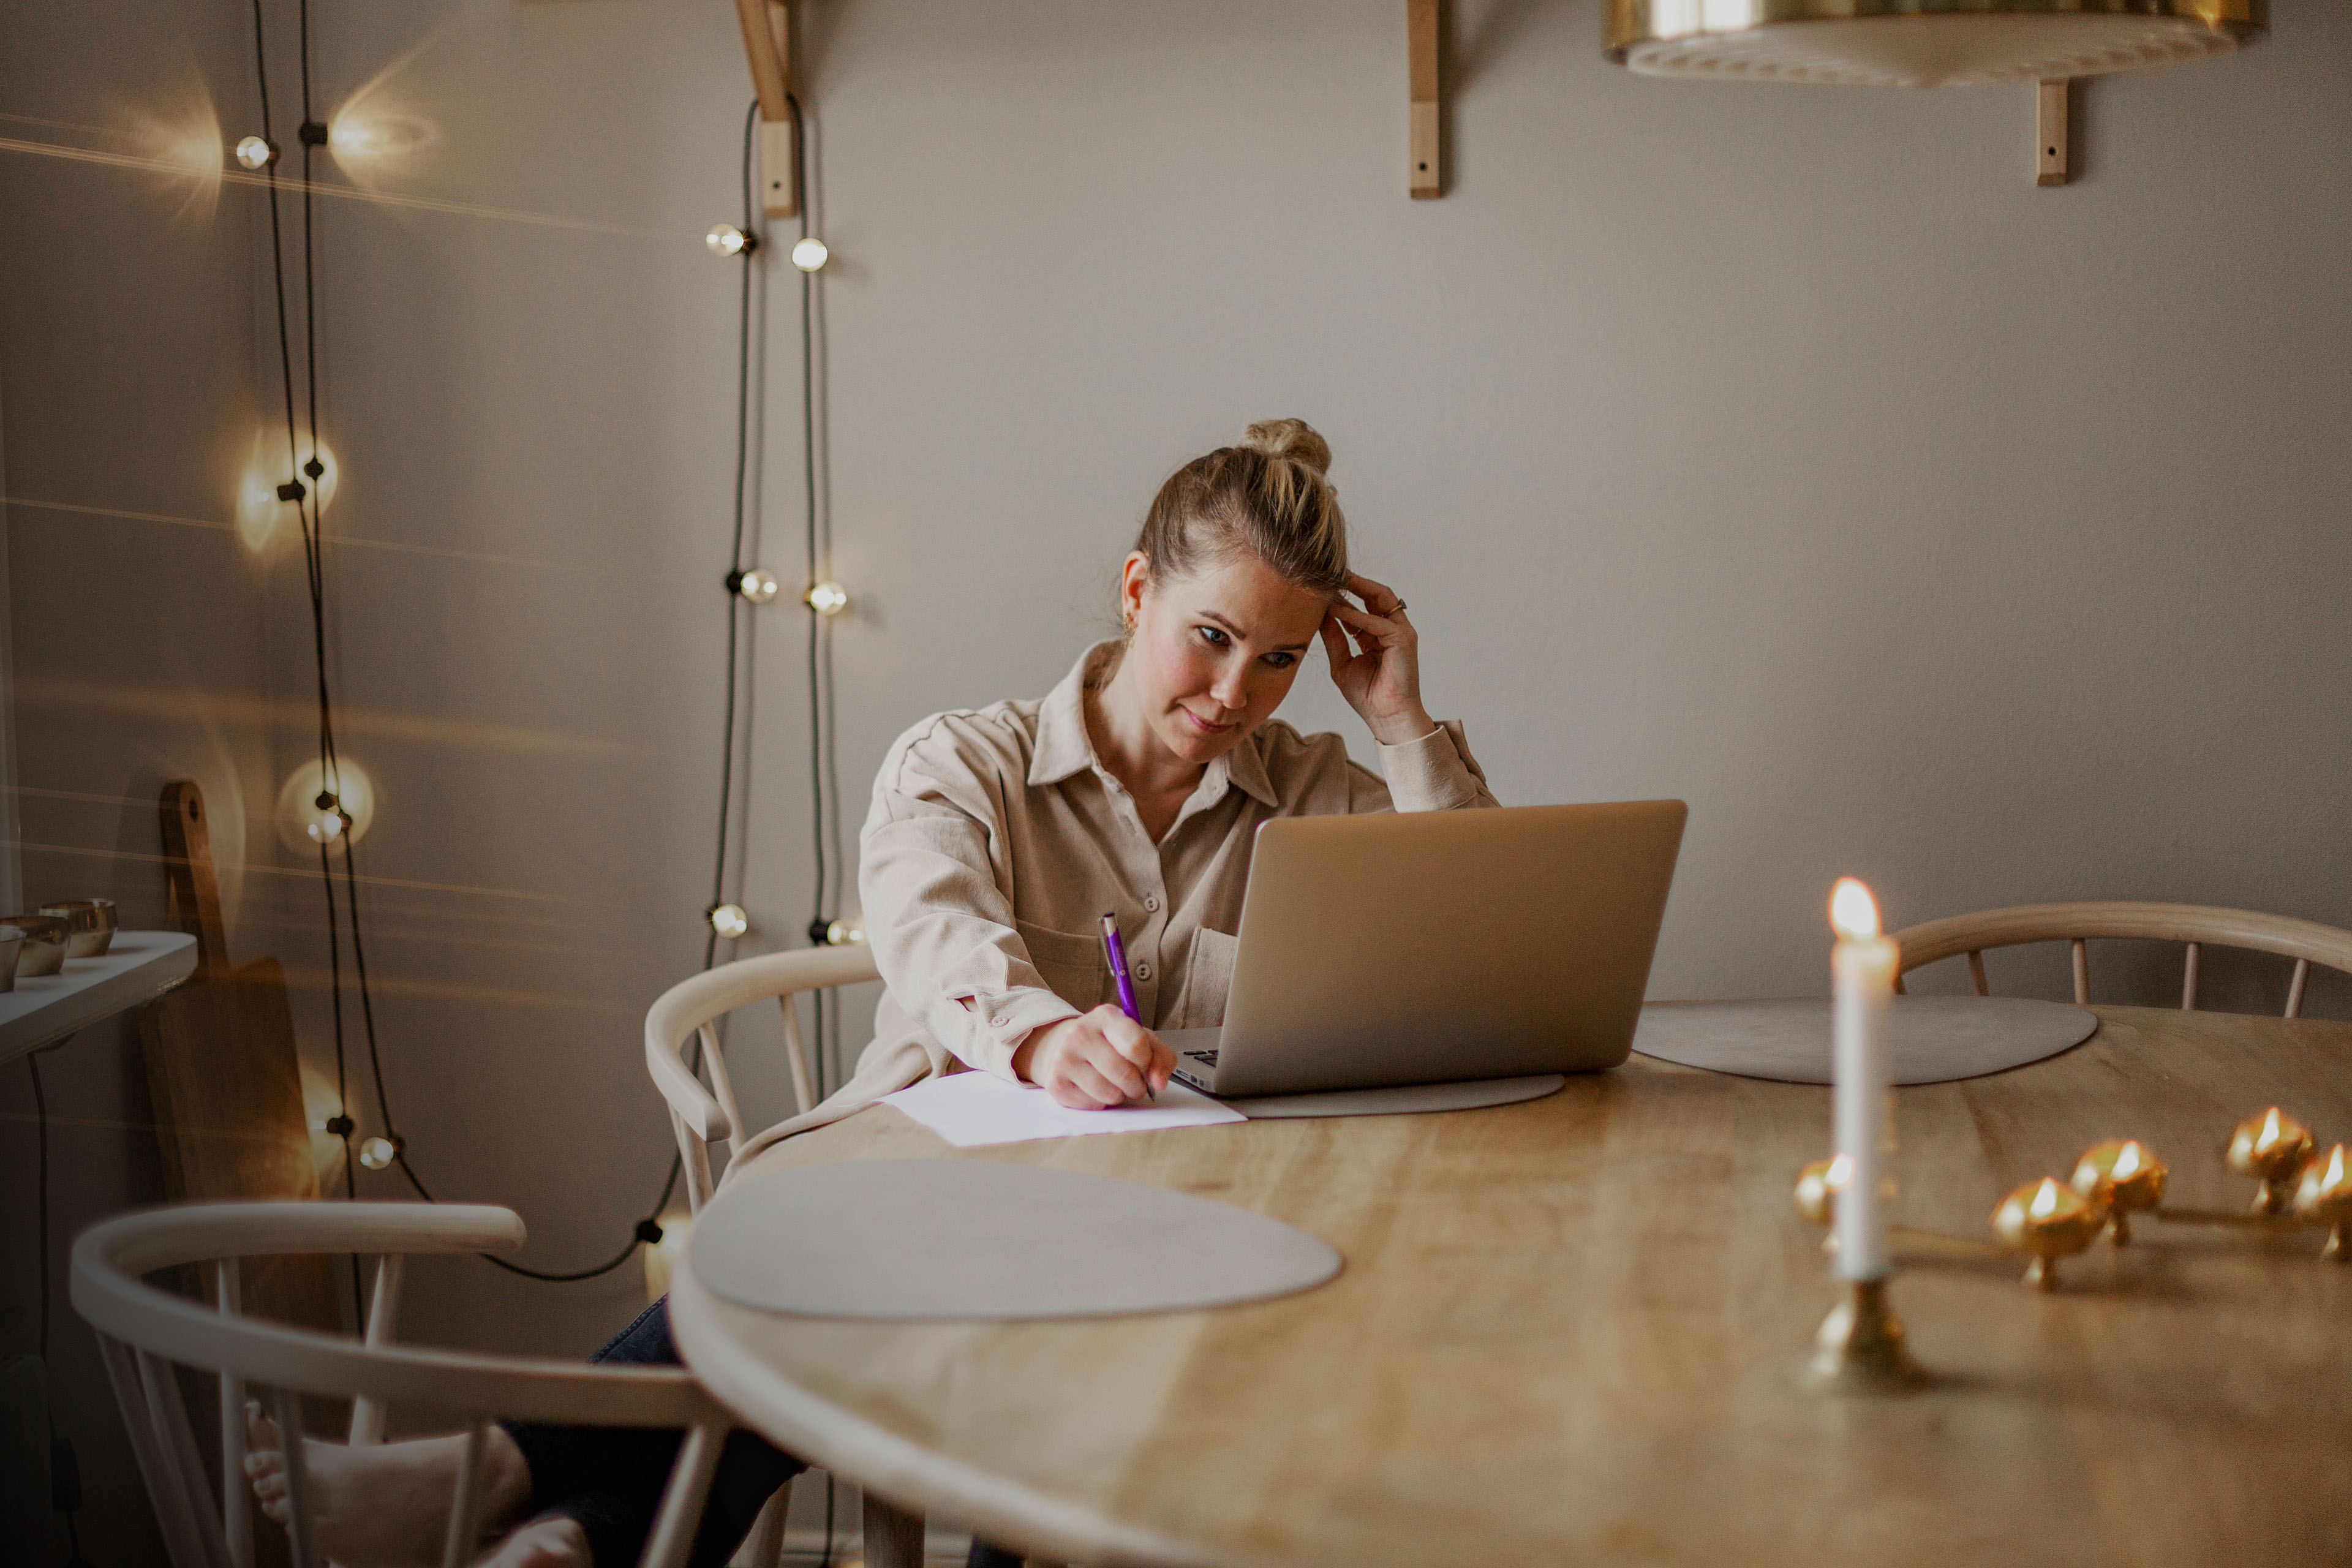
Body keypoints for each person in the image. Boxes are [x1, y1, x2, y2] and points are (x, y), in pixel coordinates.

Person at [242, 418, 1498, 1567]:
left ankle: (547, 1499)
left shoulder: (1319, 784)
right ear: (1136, 590)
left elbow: (1470, 948)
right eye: (1212, 638)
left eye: (1280, 659)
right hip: (934, 1203)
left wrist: (1401, 719)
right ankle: (547, 1496)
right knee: (929, 1300)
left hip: (1186, 1230)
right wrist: (1038, 1031)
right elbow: (929, 926)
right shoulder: (963, 759)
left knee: (1121, 1367)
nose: (1237, 695)